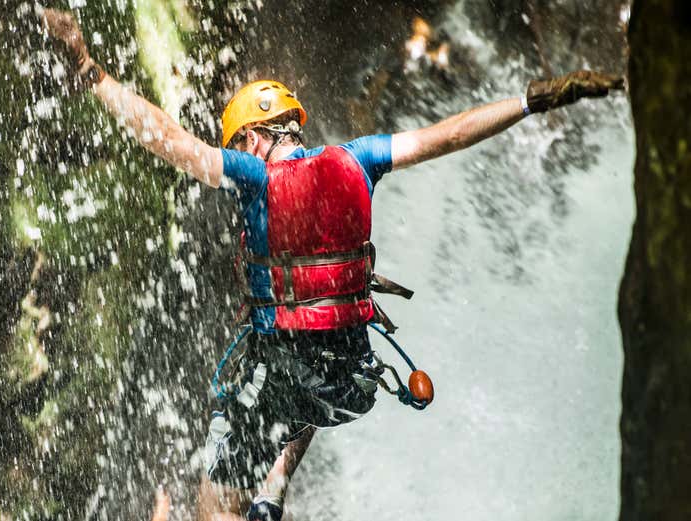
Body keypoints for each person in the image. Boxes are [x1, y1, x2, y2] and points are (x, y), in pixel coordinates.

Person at [39, 8, 624, 521]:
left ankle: (255, 498)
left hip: (288, 370)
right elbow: (448, 136)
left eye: (240, 142)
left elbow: (168, 140)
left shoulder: (253, 176)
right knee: (308, 393)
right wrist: (529, 100)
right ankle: (275, 489)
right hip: (353, 378)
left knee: (222, 490)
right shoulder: (360, 158)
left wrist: (91, 69)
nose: (240, 152)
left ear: (253, 137)